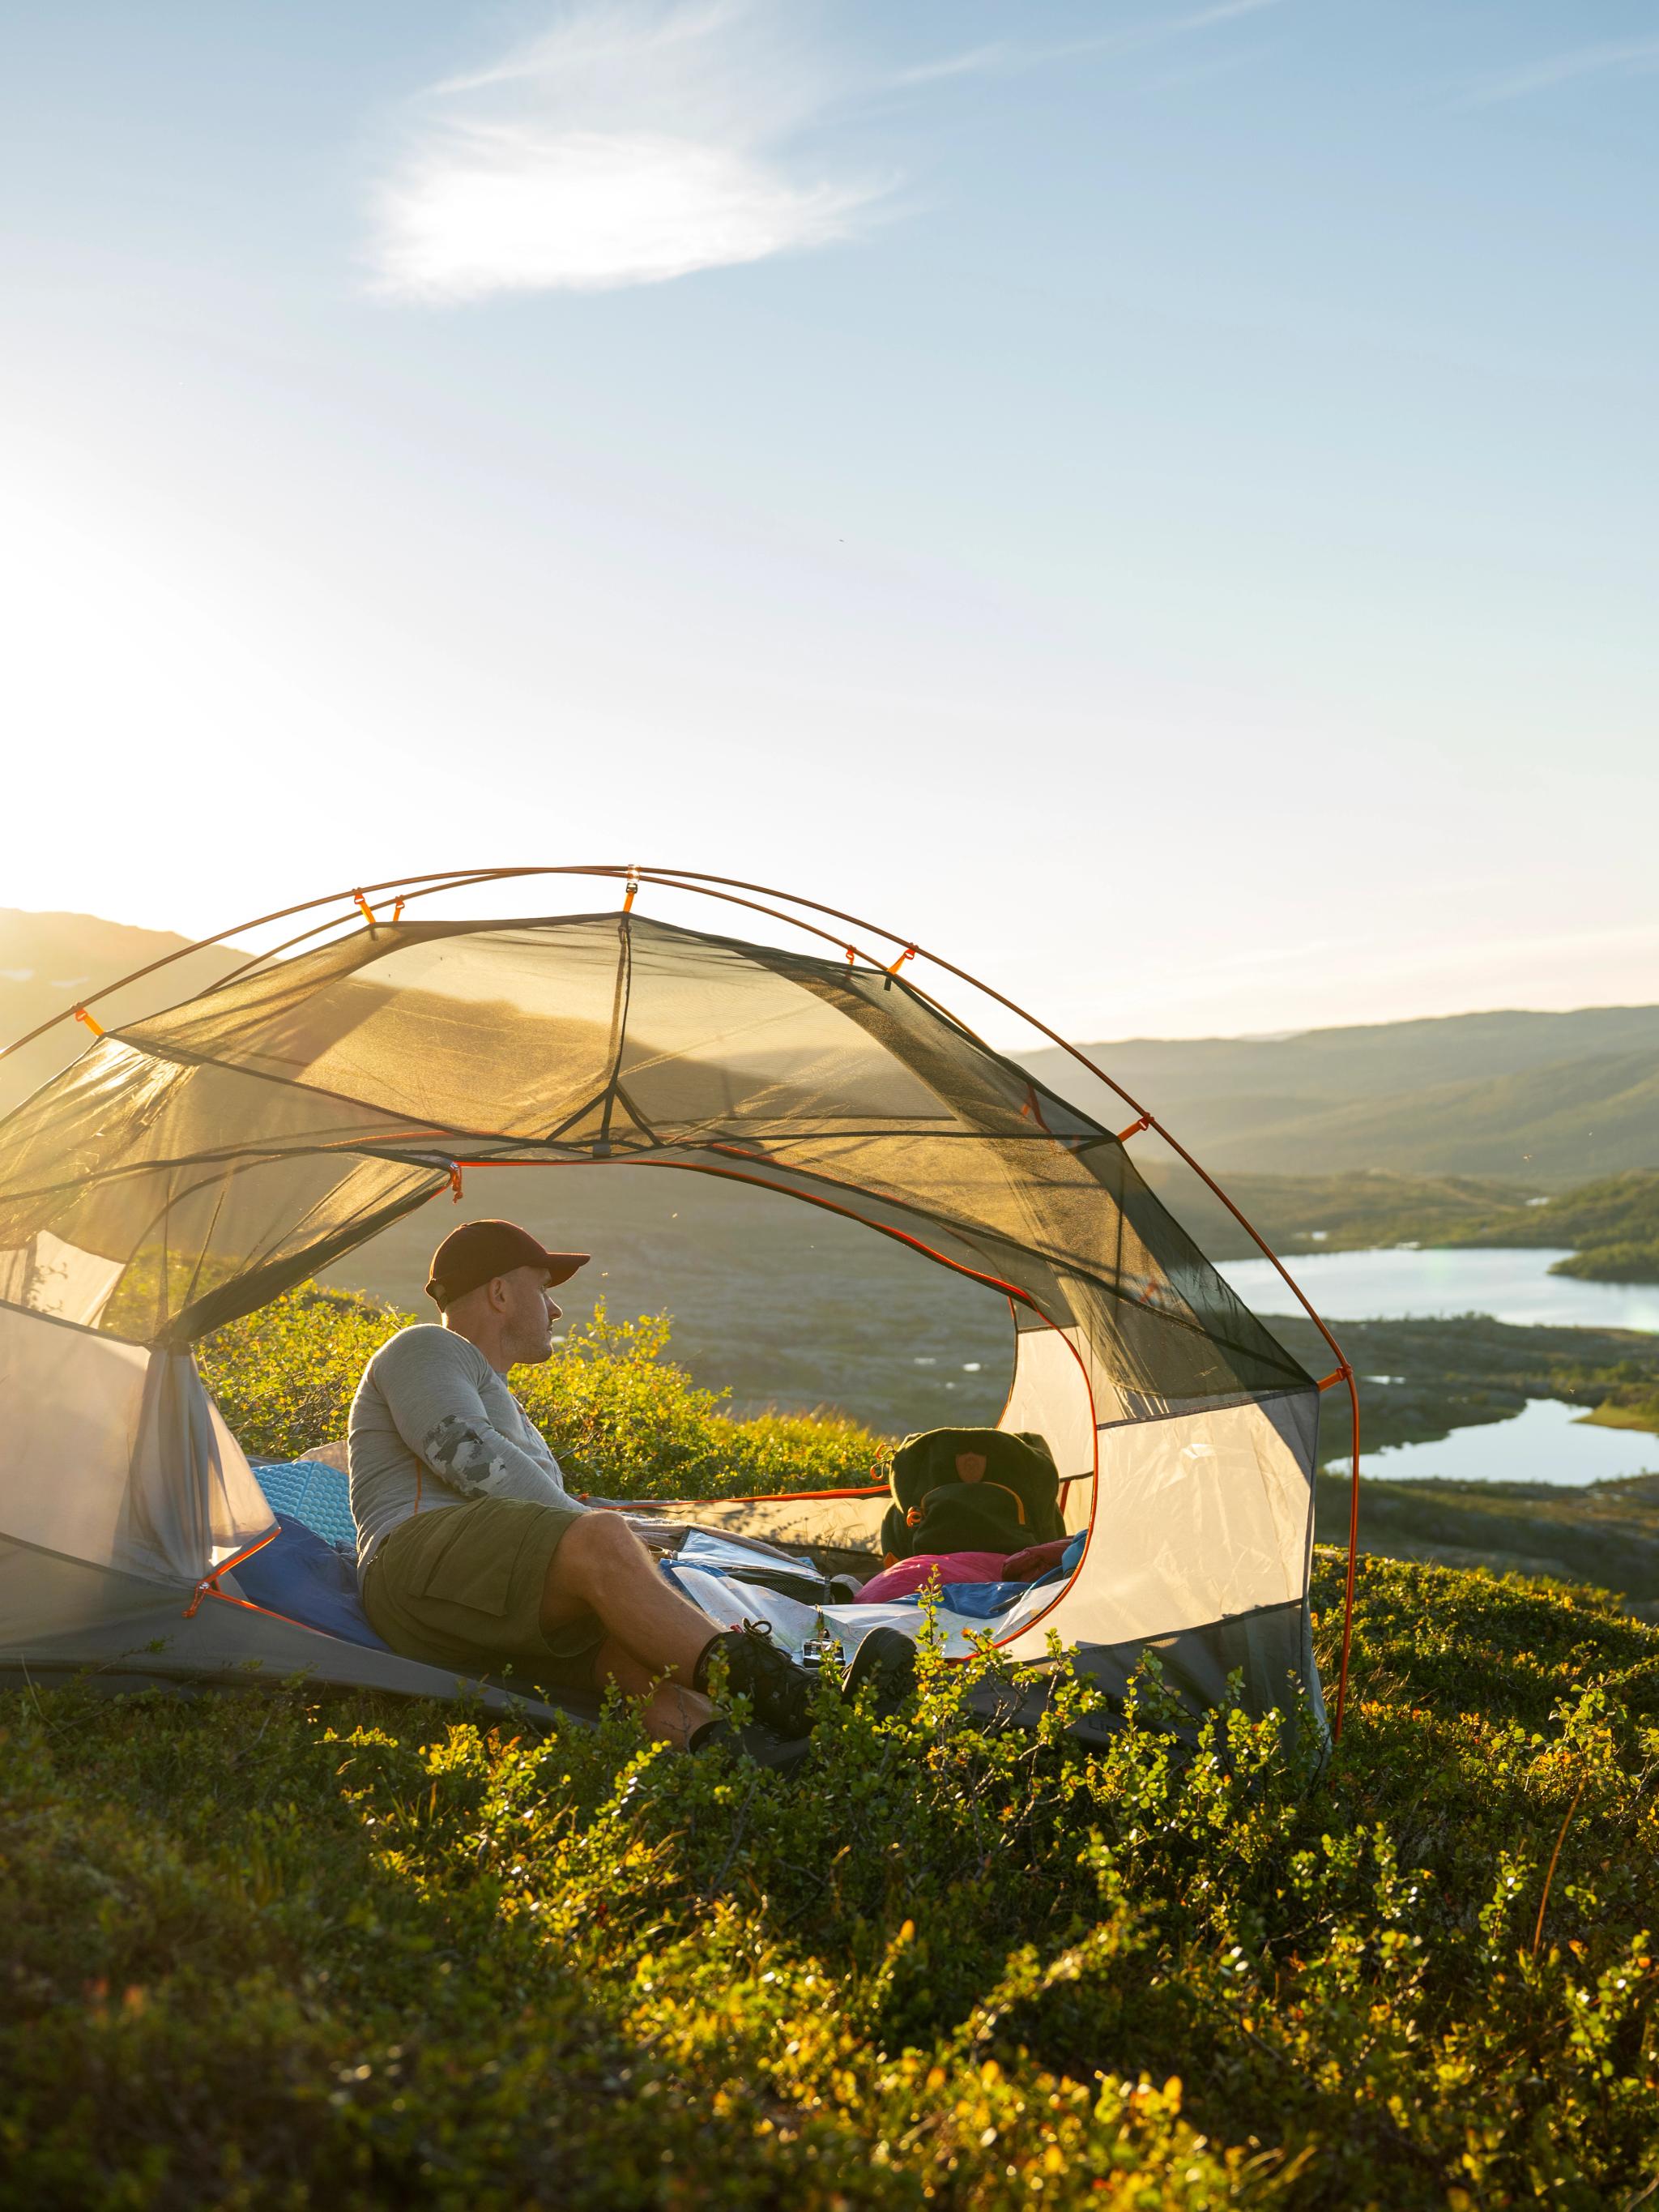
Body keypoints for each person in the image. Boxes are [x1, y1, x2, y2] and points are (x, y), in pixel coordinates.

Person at [348, 1219, 908, 1761]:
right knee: (601, 1537)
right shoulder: (427, 1346)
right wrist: (601, 1536)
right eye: (543, 1290)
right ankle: (799, 1700)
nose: (555, 1309)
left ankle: (744, 1754)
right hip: (414, 1568)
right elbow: (464, 1453)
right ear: (499, 1293)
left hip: (482, 1601)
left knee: (628, 1654)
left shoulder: (498, 1394)